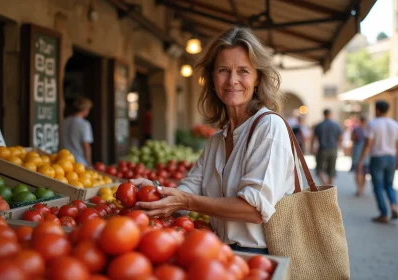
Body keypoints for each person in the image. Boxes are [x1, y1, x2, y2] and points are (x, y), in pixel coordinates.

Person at [130, 27, 297, 254]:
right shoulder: (217, 140)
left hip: (261, 257)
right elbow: (187, 191)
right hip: (220, 251)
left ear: (258, 78)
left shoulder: (269, 127)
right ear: (212, 78)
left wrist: (186, 201)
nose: (232, 80)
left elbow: (253, 210)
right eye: (223, 70)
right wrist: (156, 191)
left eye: (243, 71)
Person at [358, 100, 398, 223]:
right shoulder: (394, 124)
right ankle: (394, 205)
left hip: (377, 157)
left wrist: (360, 160)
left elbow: (367, 144)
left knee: (378, 186)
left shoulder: (373, 124)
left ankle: (384, 214)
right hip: (391, 157)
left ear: (377, 110)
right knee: (389, 185)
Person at [311, 109, 343, 185]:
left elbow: (314, 138)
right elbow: (341, 138)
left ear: (324, 114)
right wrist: (338, 146)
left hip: (322, 150)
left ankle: (325, 184)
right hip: (333, 149)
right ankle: (329, 188)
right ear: (330, 114)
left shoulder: (319, 125)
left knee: (319, 169)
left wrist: (312, 148)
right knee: (331, 171)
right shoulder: (336, 125)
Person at [61, 96, 94, 167]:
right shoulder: (84, 124)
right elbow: (86, 145)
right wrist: (89, 163)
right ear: (85, 109)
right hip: (79, 162)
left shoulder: (64, 121)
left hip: (64, 160)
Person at [350, 115, 370, 196]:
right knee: (364, 171)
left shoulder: (356, 129)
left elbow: (352, 139)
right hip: (367, 152)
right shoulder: (368, 130)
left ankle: (359, 188)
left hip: (358, 151)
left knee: (358, 170)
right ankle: (362, 189)